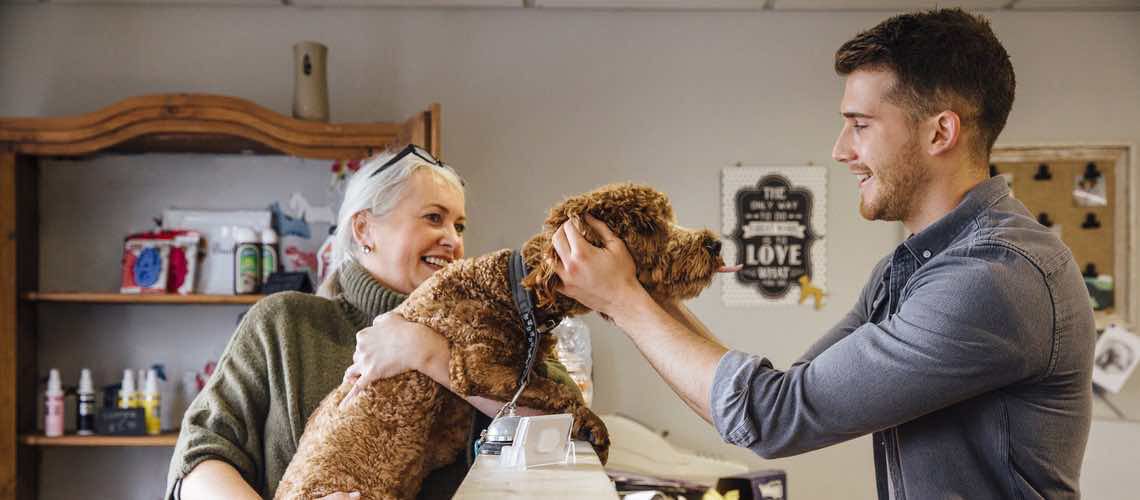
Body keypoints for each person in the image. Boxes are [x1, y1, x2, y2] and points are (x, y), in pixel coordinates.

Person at [549, 9, 1094, 500]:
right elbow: (771, 399)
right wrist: (640, 296)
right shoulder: (907, 270)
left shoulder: (994, 277)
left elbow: (772, 417)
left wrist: (625, 303)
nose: (841, 149)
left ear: (940, 132)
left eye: (860, 125)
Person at [166, 145, 580, 500]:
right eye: (434, 217)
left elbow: (569, 428)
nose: (453, 239)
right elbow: (201, 456)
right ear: (365, 228)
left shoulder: (491, 334)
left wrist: (428, 352)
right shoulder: (285, 324)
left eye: (460, 224)